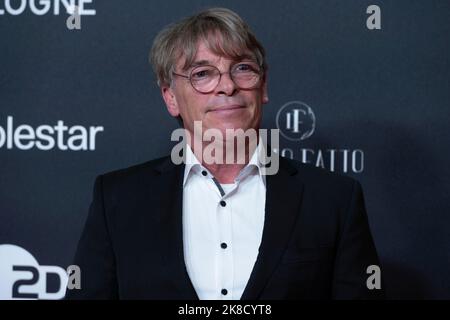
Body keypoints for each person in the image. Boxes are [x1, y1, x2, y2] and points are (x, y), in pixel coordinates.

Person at [66, 7, 384, 300]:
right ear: (171, 98)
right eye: (202, 74)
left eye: (242, 68)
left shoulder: (334, 200)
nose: (227, 86)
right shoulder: (119, 199)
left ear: (264, 85)